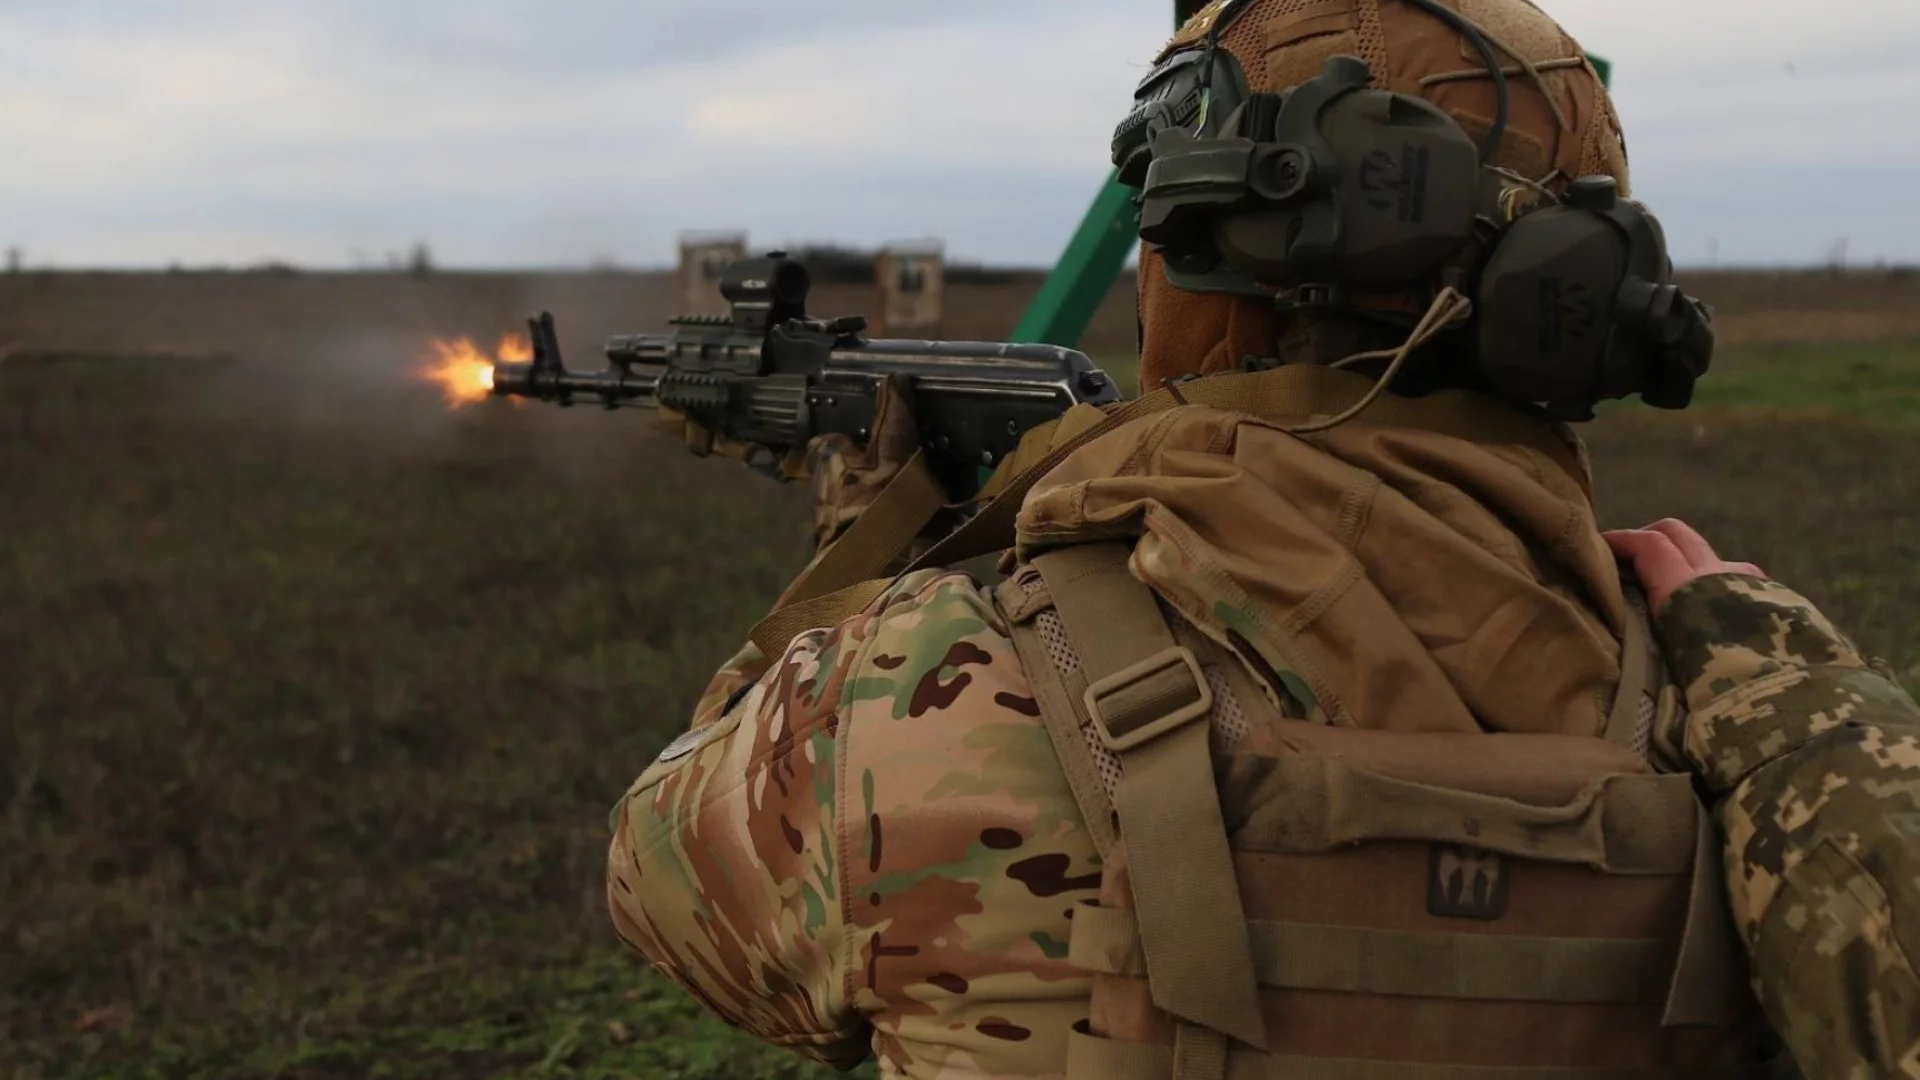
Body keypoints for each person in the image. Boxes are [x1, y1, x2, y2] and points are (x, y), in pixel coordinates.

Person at [607, 1, 1920, 1077]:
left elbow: (664, 887)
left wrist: (871, 552)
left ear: (1197, 253)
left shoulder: (926, 684)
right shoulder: (1757, 726)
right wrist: (1812, 709)